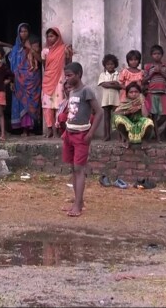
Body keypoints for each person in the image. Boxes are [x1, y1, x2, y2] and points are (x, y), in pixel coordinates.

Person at [61, 62, 102, 218]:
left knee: (79, 170)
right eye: (66, 75)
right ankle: (78, 201)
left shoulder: (86, 91)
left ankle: (77, 205)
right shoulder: (72, 92)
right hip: (69, 134)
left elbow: (99, 113)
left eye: (70, 75)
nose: (67, 78)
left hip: (81, 136)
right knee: (73, 169)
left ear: (79, 75)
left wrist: (91, 133)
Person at [6, 23, 42, 137]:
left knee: (31, 102)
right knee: (21, 103)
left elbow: (40, 60)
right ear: (18, 33)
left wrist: (29, 47)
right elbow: (12, 65)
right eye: (21, 31)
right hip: (18, 80)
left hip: (32, 79)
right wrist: (12, 80)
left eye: (25, 31)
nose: (23, 33)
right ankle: (23, 130)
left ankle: (32, 128)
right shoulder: (16, 48)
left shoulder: (34, 44)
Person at [143, 45, 166, 143]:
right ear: (151, 55)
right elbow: (144, 80)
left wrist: (161, 72)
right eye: (154, 54)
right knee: (154, 116)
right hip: (151, 93)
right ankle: (158, 138)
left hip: (162, 93)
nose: (157, 56)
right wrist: (152, 73)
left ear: (162, 55)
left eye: (159, 54)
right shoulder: (148, 66)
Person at [41, 27, 73, 138]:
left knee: (60, 104)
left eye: (52, 36)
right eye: (48, 36)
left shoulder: (64, 49)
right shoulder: (45, 51)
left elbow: (68, 63)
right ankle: (49, 128)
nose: (50, 38)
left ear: (57, 37)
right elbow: (45, 66)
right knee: (47, 105)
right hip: (48, 79)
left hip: (60, 78)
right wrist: (50, 74)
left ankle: (59, 127)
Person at [113, 82, 154, 148]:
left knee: (149, 122)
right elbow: (116, 113)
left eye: (136, 92)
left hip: (140, 124)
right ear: (127, 94)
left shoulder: (143, 101)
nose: (134, 94)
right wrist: (128, 112)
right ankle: (127, 139)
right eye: (131, 92)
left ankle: (145, 141)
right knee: (118, 119)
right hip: (128, 125)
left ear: (140, 93)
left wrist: (141, 104)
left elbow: (145, 115)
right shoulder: (124, 103)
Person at [97, 54, 122, 141]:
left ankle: (120, 135)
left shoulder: (118, 74)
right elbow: (103, 84)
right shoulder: (103, 74)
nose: (110, 66)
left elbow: (120, 86)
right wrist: (113, 83)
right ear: (105, 65)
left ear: (115, 64)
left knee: (118, 117)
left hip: (116, 99)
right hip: (106, 99)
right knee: (107, 118)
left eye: (112, 64)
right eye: (108, 64)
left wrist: (110, 84)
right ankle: (107, 135)